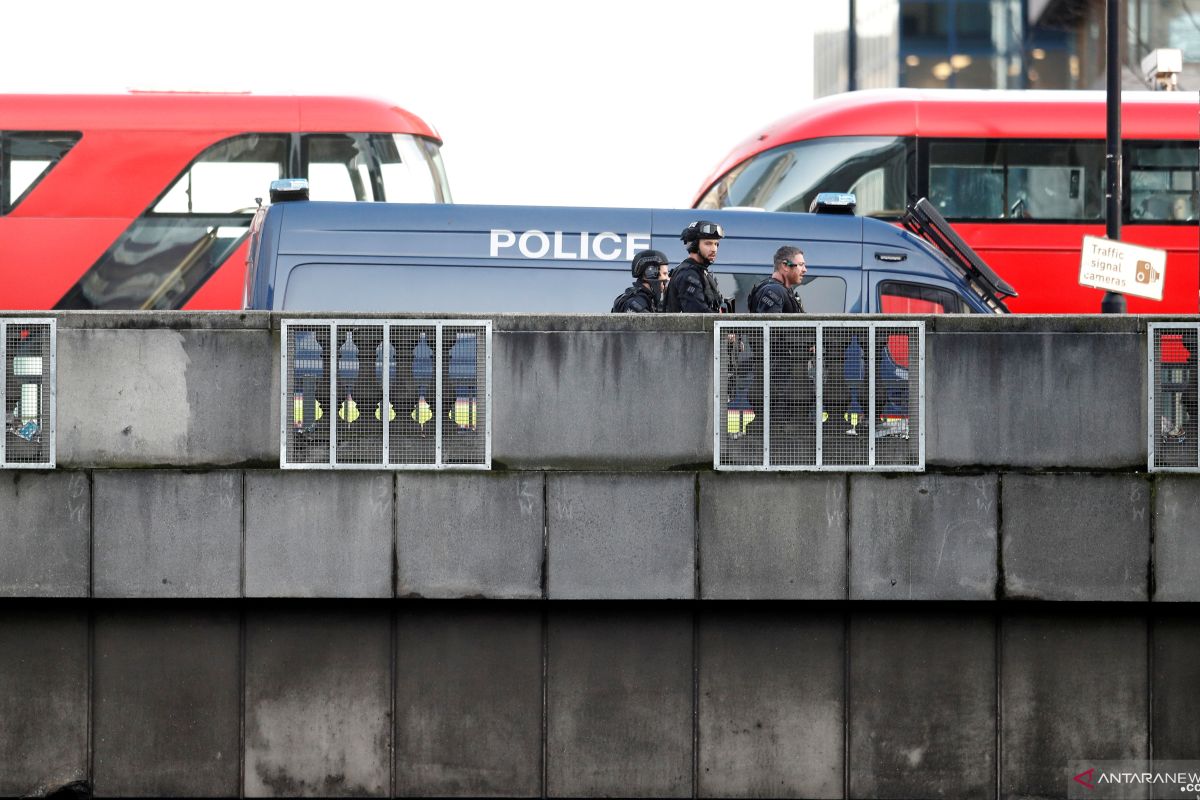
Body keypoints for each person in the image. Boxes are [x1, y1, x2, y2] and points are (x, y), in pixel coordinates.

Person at [665, 220, 724, 312]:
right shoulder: (688, 275)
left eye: (716, 244)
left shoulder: (701, 271)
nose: (714, 249)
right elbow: (699, 316)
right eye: (708, 243)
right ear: (694, 244)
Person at [748, 246, 806, 313]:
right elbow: (768, 323)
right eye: (801, 265)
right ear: (785, 265)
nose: (805, 270)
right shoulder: (774, 290)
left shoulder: (783, 290)